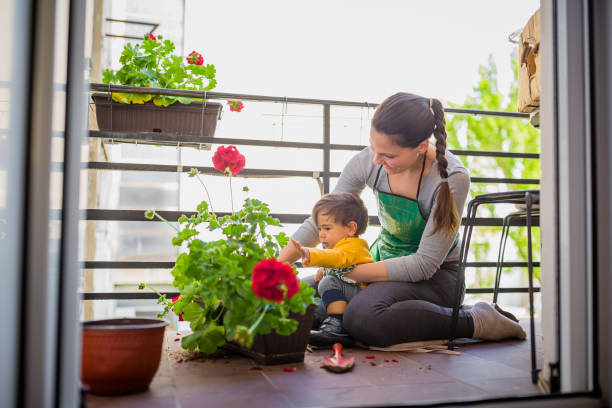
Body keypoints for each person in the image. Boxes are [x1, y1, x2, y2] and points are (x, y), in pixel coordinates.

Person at [278, 92, 526, 347]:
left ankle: (476, 320)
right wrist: (276, 268)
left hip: (436, 278)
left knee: (363, 317)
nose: (376, 160)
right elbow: (322, 219)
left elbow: (424, 264)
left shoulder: (451, 178)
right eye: (374, 148)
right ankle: (360, 320)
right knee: (295, 296)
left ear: (421, 147)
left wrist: (346, 271)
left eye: (388, 155)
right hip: (380, 263)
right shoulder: (369, 160)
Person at [290, 192, 374, 348]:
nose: (321, 235)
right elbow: (336, 260)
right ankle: (315, 319)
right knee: (315, 296)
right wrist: (324, 268)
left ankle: (338, 327)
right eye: (319, 229)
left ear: (350, 228)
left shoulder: (355, 246)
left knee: (328, 283)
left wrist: (310, 253)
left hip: (358, 296)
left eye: (327, 228)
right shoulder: (341, 247)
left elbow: (337, 257)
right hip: (344, 296)